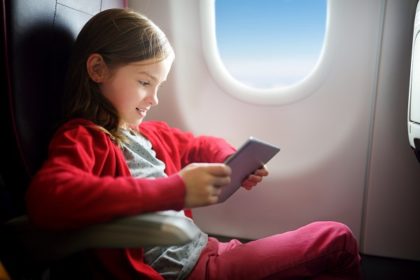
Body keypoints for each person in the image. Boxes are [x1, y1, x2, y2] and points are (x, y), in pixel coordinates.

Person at [25, 8, 361, 280]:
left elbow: (199, 144)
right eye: (144, 82)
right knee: (337, 240)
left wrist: (231, 158)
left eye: (159, 85)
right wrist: (177, 190)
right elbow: (48, 198)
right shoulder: (83, 137)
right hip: (193, 271)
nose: (154, 98)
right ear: (98, 69)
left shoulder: (146, 134)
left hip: (208, 250)